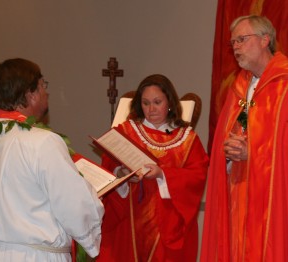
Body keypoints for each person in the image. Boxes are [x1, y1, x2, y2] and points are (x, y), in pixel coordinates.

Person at [0, 58, 104, 262]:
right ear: (30, 94)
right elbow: (75, 206)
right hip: (26, 256)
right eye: (42, 86)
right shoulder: (42, 141)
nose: (45, 92)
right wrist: (95, 198)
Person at [201, 15, 288, 261]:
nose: (236, 47)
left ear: (265, 40)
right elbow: (234, 133)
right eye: (233, 43)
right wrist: (230, 151)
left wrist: (254, 153)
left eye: (242, 39)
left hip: (274, 200)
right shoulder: (240, 88)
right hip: (239, 194)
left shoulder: (285, 85)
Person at [96, 74, 209, 262]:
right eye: (145, 103)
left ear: (170, 102)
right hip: (129, 222)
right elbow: (108, 169)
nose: (151, 109)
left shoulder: (187, 140)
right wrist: (122, 175)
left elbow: (197, 177)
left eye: (157, 102)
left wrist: (162, 174)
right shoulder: (125, 132)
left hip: (166, 226)